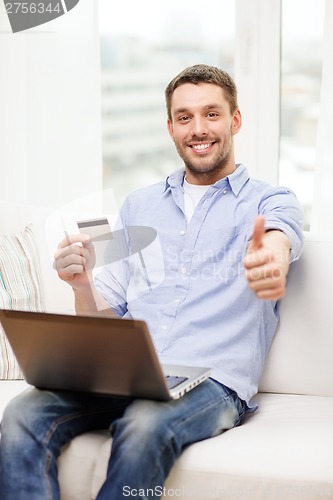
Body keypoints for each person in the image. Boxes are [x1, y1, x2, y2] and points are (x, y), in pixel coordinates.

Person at [0, 64, 304, 499]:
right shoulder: (140, 205)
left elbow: (279, 239)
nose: (198, 129)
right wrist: (82, 286)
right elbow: (111, 317)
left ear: (235, 120)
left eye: (211, 114)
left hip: (211, 382)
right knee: (23, 412)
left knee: (144, 422)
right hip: (127, 373)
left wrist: (268, 257)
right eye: (185, 117)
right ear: (170, 128)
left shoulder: (272, 199)